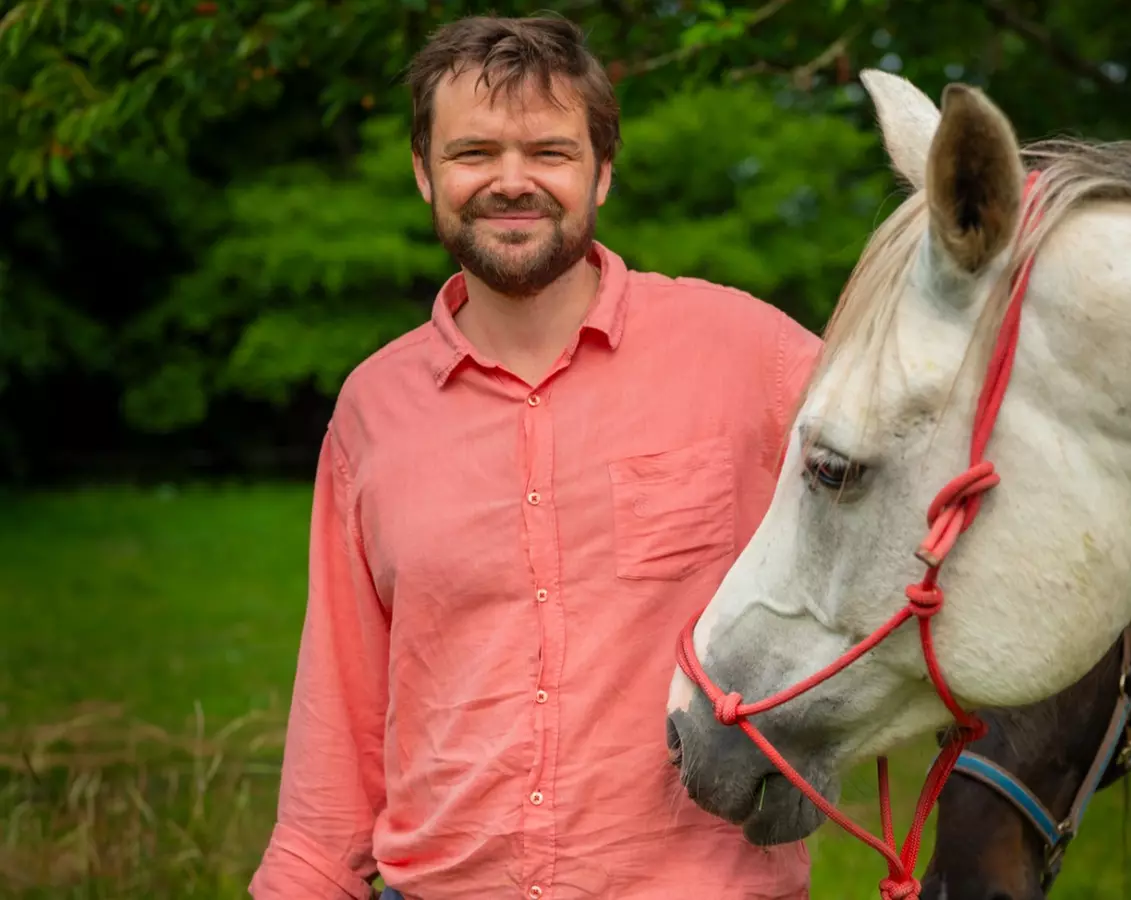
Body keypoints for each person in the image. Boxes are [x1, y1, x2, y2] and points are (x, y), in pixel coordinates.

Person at [247, 13, 821, 900]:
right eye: (473, 152)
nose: (510, 182)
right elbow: (341, 706)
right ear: (423, 172)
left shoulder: (753, 358)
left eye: (549, 152)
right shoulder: (373, 410)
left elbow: (923, 495)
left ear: (603, 172)